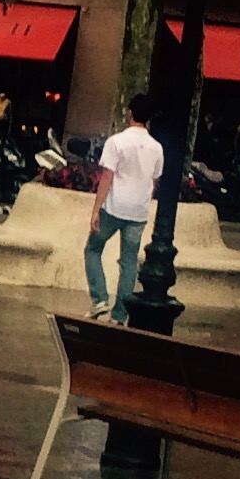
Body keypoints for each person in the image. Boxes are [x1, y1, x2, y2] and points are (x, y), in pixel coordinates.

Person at [83, 94, 162, 322]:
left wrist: (96, 209)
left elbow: (107, 176)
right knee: (129, 263)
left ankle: (99, 298)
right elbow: (154, 181)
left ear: (130, 113)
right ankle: (120, 314)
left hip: (114, 207)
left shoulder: (116, 141)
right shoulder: (157, 148)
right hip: (138, 212)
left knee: (93, 249)